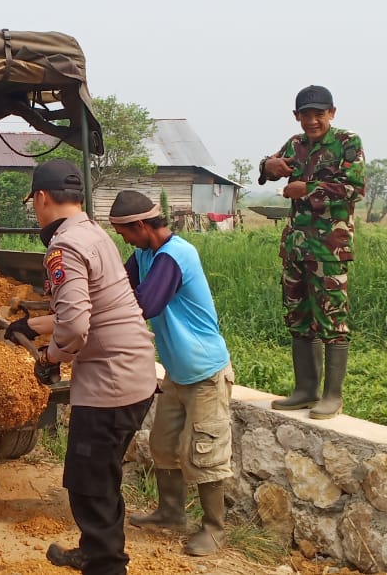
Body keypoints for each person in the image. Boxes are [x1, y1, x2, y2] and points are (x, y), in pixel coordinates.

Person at [3, 160, 158, 574]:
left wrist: (51, 358)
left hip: (110, 385)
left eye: (34, 203)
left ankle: (105, 565)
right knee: (100, 479)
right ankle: (96, 552)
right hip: (133, 374)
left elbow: (74, 326)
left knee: (90, 488)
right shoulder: (93, 235)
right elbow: (89, 309)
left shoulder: (65, 247)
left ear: (41, 198)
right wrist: (30, 325)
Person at [109, 190, 233, 557]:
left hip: (205, 372)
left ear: (142, 225)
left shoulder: (175, 256)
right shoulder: (146, 253)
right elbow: (118, 284)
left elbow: (143, 304)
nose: (124, 240)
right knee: (163, 446)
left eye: (125, 233)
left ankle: (214, 529)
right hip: (177, 374)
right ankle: (171, 511)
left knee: (204, 452)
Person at [258, 85, 365, 420]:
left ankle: (332, 396)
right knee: (298, 318)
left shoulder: (348, 142)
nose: (313, 120)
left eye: (320, 114)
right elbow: (271, 165)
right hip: (296, 247)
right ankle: (305, 389)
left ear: (332, 113)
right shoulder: (296, 144)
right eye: (307, 114)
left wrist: (309, 189)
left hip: (330, 248)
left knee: (333, 319)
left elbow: (354, 188)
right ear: (297, 116)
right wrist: (268, 166)